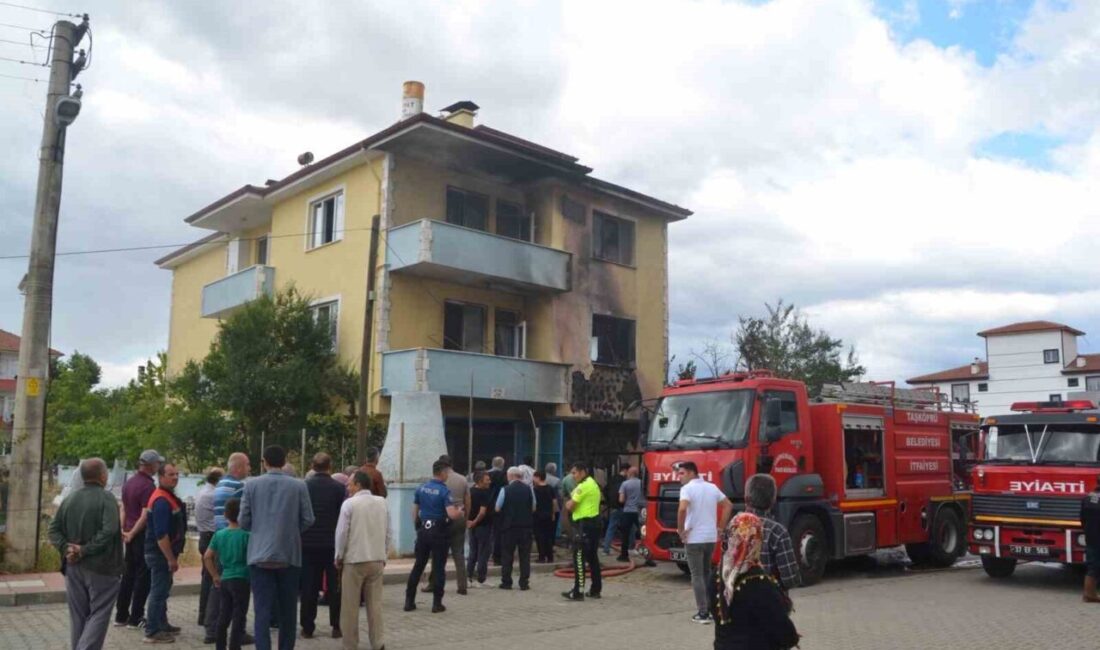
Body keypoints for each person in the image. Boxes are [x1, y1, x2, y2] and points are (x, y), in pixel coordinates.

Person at [240, 445, 316, 650]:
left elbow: (243, 520)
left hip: (259, 556)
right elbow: (308, 519)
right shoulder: (299, 486)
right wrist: (290, 531)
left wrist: (259, 530)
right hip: (289, 555)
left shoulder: (251, 485)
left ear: (264, 461)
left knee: (261, 612)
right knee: (289, 612)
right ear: (284, 462)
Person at [49, 457, 123, 650]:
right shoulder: (107, 498)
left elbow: (53, 530)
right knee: (99, 612)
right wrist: (84, 550)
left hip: (73, 566)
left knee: (78, 615)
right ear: (103, 476)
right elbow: (110, 530)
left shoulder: (70, 498)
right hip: (102, 566)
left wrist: (67, 548)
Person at [711, 512, 800, 650]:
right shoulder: (758, 583)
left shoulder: (718, 574)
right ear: (756, 541)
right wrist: (792, 638)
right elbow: (782, 628)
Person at [335, 471, 391, 650]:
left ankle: (350, 644)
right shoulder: (382, 503)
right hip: (376, 559)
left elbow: (342, 533)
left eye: (350, 484)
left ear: (358, 484)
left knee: (350, 606)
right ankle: (378, 642)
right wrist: (384, 555)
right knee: (375, 605)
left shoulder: (349, 504)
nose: (347, 487)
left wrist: (339, 556)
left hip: (354, 560)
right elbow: (389, 531)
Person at [204, 452, 252, 644]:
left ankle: (213, 628)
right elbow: (245, 511)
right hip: (234, 543)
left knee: (218, 590)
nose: (249, 469)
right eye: (248, 465)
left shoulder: (221, 485)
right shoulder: (238, 487)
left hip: (220, 539)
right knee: (237, 601)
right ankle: (235, 634)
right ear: (238, 467)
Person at [404, 460, 463, 613]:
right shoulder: (444, 491)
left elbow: (414, 511)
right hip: (439, 531)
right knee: (438, 567)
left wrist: (418, 527)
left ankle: (409, 601)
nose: (448, 476)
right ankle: (437, 604)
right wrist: (459, 512)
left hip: (424, 530)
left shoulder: (421, 488)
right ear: (442, 473)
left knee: (418, 565)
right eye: (447, 473)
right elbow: (451, 513)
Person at [678, 461, 733, 624]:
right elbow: (728, 505)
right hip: (710, 537)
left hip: (693, 538)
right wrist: (721, 528)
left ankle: (703, 613)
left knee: (696, 575)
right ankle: (712, 607)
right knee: (707, 572)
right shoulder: (712, 487)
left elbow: (682, 509)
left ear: (690, 473)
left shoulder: (687, 489)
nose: (679, 477)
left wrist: (681, 530)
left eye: (681, 473)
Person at [300, 452, 346, 639]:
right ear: (330, 466)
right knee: (334, 586)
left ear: (312, 465)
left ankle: (307, 627)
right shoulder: (338, 488)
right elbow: (342, 517)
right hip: (331, 544)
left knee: (309, 587)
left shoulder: (304, 487)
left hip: (308, 544)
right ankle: (336, 626)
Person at [115, 449, 162, 630]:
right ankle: (136, 617)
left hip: (128, 534)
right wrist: (133, 533)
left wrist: (123, 530)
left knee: (128, 575)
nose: (159, 466)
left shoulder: (129, 482)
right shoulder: (149, 487)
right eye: (157, 463)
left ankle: (120, 615)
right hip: (140, 535)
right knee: (143, 577)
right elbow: (144, 514)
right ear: (150, 465)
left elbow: (123, 508)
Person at [144, 462, 187, 644]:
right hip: (160, 554)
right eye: (171, 474)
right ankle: (152, 631)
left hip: (161, 553)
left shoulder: (166, 496)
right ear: (161, 477)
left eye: (177, 474)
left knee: (162, 590)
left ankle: (162, 624)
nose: (175, 477)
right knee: (158, 591)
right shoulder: (161, 500)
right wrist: (171, 559)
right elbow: (161, 535)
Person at [744, 474, 801, 591]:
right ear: (773, 500)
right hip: (769, 602)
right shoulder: (777, 532)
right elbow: (790, 578)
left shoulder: (733, 527)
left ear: (746, 499)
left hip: (737, 603)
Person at [423, 455, 468, 595]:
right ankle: (462, 586)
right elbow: (468, 501)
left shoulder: (438, 482)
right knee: (458, 553)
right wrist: (466, 517)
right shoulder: (462, 479)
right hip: (459, 517)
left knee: (438, 553)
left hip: (442, 519)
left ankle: (433, 583)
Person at [563, 461, 602, 601]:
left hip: (584, 525)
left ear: (582, 472)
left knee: (579, 558)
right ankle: (595, 589)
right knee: (592, 558)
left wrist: (570, 502)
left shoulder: (583, 487)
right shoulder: (593, 483)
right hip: (594, 524)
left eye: (574, 473)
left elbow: (570, 506)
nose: (573, 476)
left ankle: (578, 591)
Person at [496, 467, 535, 590]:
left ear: (511, 476)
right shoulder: (529, 489)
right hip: (525, 526)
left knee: (507, 555)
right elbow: (534, 507)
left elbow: (497, 508)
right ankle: (524, 582)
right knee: (524, 556)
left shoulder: (505, 490)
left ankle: (506, 582)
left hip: (509, 527)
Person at [196, 467, 224, 627]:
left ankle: (203, 615)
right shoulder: (214, 495)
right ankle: (208, 617)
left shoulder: (202, 491)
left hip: (203, 535)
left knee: (206, 577)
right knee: (212, 578)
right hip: (210, 536)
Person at [465, 471, 493, 587]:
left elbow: (464, 507)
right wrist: (476, 522)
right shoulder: (484, 493)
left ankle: (468, 577)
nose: (489, 482)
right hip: (483, 526)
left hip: (471, 526)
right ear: (480, 481)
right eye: (487, 480)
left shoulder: (470, 491)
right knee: (483, 553)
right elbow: (482, 512)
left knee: (473, 552)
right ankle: (481, 579)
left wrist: (468, 521)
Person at [617, 466, 644, 562]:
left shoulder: (625, 484)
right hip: (640, 511)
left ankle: (624, 555)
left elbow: (621, 499)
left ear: (629, 473)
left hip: (628, 511)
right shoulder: (642, 483)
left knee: (625, 534)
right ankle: (648, 557)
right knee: (644, 534)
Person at [602, 464, 630, 555]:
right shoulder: (624, 481)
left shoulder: (612, 479)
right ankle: (630, 547)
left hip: (614, 507)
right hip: (623, 506)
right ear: (625, 470)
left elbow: (605, 489)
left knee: (611, 527)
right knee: (630, 527)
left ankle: (606, 549)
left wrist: (609, 500)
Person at [1081, 475, 1100, 602]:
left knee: (1092, 565)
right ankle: (1089, 595)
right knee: (1095, 567)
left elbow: (1082, 518)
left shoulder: (1087, 498)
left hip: (1090, 535)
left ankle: (1089, 594)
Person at [533, 470, 558, 563]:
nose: (533, 479)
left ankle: (541, 557)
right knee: (548, 536)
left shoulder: (535, 489)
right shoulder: (550, 488)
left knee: (539, 537)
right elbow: (554, 502)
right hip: (548, 515)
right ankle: (550, 557)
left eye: (534, 477)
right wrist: (553, 514)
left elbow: (533, 504)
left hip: (538, 516)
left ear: (538, 477)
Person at [487, 456, 507, 564]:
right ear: (502, 465)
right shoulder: (504, 476)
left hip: (485, 507)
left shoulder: (485, 475)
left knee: (484, 533)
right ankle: (497, 557)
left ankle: (482, 556)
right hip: (499, 508)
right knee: (497, 533)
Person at [559, 464, 578, 540]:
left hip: (570, 502)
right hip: (579, 502)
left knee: (570, 521)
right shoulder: (581, 479)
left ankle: (572, 538)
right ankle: (578, 539)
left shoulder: (565, 479)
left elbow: (563, 493)